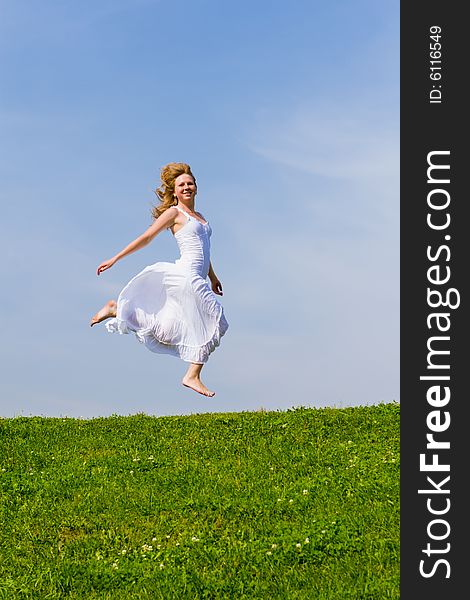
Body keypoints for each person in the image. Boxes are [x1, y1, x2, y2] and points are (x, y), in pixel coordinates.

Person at [90, 162, 228, 397]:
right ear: (174, 191)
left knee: (166, 330)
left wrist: (213, 277)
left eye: (189, 183)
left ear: (196, 187)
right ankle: (192, 375)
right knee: (218, 321)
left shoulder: (201, 217)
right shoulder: (174, 213)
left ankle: (116, 309)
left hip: (198, 277)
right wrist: (116, 258)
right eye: (181, 185)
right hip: (186, 276)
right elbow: (146, 237)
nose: (186, 187)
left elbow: (204, 250)